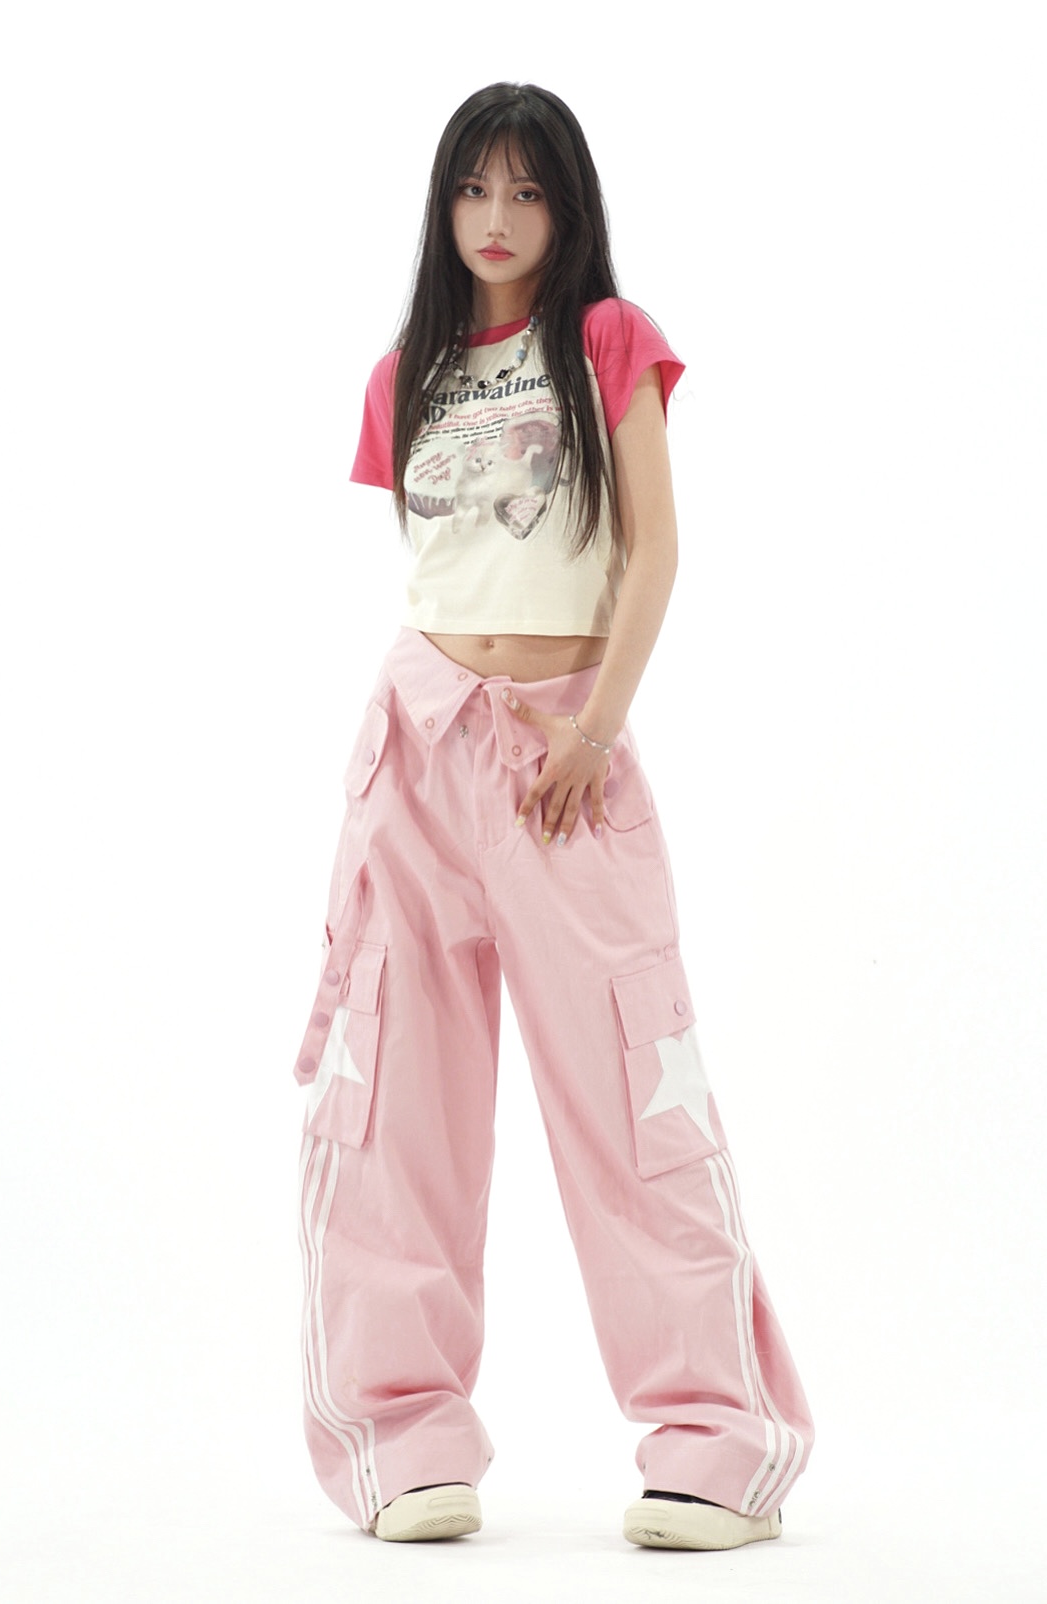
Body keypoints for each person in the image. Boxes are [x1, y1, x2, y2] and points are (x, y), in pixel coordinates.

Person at [292, 81, 814, 1551]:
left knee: (635, 1099)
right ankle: (401, 1438)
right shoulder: (407, 373)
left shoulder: (607, 341)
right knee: (395, 1104)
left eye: (527, 191)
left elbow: (652, 553)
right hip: (416, 750)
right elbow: (443, 568)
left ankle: (717, 1442)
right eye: (475, 188)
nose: (498, 218)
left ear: (567, 207)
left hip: (563, 761)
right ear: (443, 204)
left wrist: (592, 727)